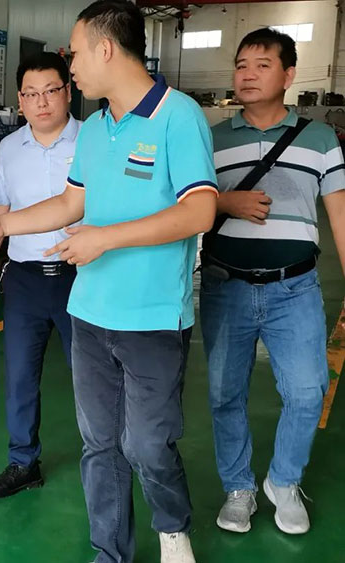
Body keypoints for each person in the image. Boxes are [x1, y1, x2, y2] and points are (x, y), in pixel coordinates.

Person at [0, 2, 218, 561]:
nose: (70, 66)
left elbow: (199, 211)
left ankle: (172, 528)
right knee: (100, 445)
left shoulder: (179, 116)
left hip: (152, 316)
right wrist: (3, 224)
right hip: (90, 311)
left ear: (105, 48)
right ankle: (110, 551)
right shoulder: (96, 130)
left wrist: (106, 238)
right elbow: (70, 203)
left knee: (147, 444)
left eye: (74, 54)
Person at [201, 27, 345, 536]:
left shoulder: (320, 138)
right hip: (225, 286)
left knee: (307, 392)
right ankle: (238, 488)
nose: (248, 74)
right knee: (225, 395)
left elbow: (340, 216)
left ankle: (283, 482)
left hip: (296, 289)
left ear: (288, 75)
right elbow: (184, 206)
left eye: (262, 65)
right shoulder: (211, 139)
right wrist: (226, 201)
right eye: (241, 64)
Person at [0, 52, 80, 499]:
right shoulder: (10, 148)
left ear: (67, 92)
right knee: (20, 375)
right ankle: (23, 462)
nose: (41, 102)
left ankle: (107, 457)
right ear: (20, 100)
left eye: (50, 91)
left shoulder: (93, 141)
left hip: (82, 275)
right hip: (24, 278)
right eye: (31, 94)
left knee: (91, 375)